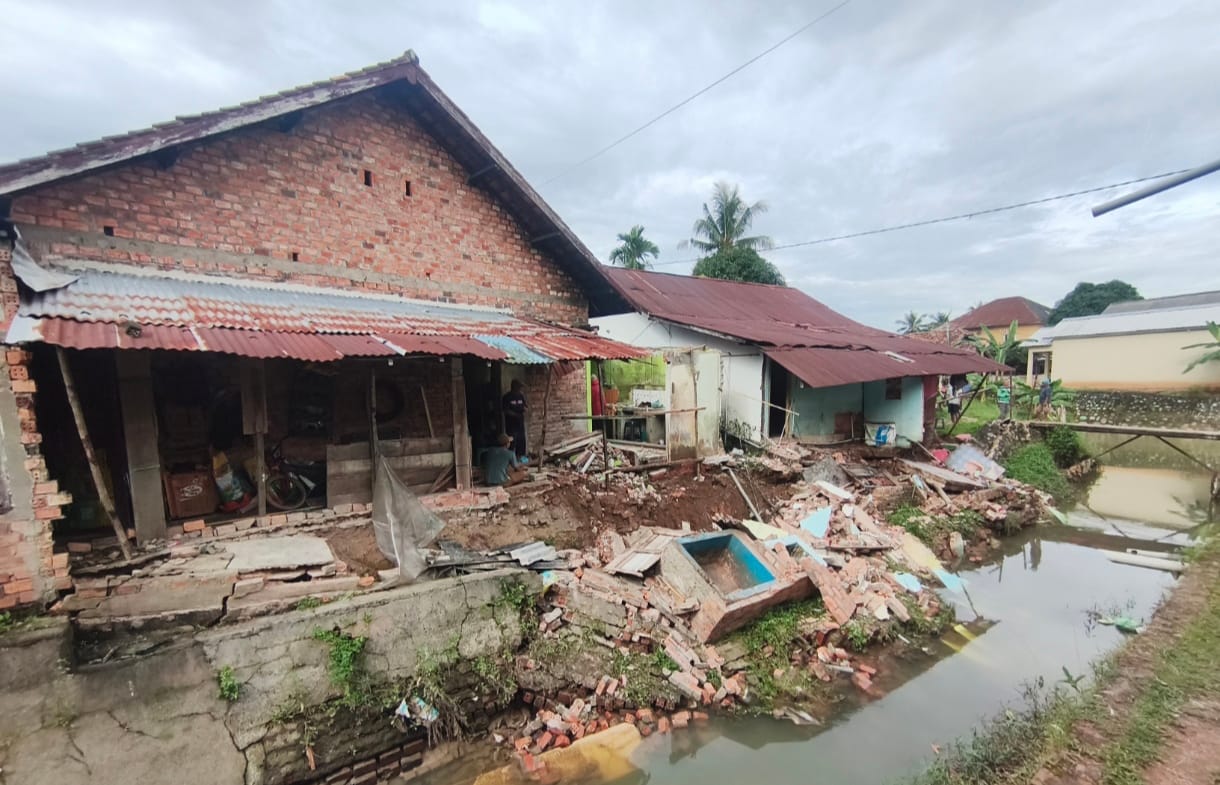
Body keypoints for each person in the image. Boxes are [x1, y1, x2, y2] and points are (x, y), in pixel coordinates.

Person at [502, 380, 527, 460]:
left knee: (521, 440)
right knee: (512, 442)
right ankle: (511, 459)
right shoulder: (507, 397)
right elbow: (505, 410)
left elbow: (525, 406)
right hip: (511, 424)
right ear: (513, 386)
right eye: (518, 387)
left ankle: (520, 457)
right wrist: (515, 415)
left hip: (520, 423)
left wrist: (525, 410)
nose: (520, 389)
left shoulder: (521, 396)